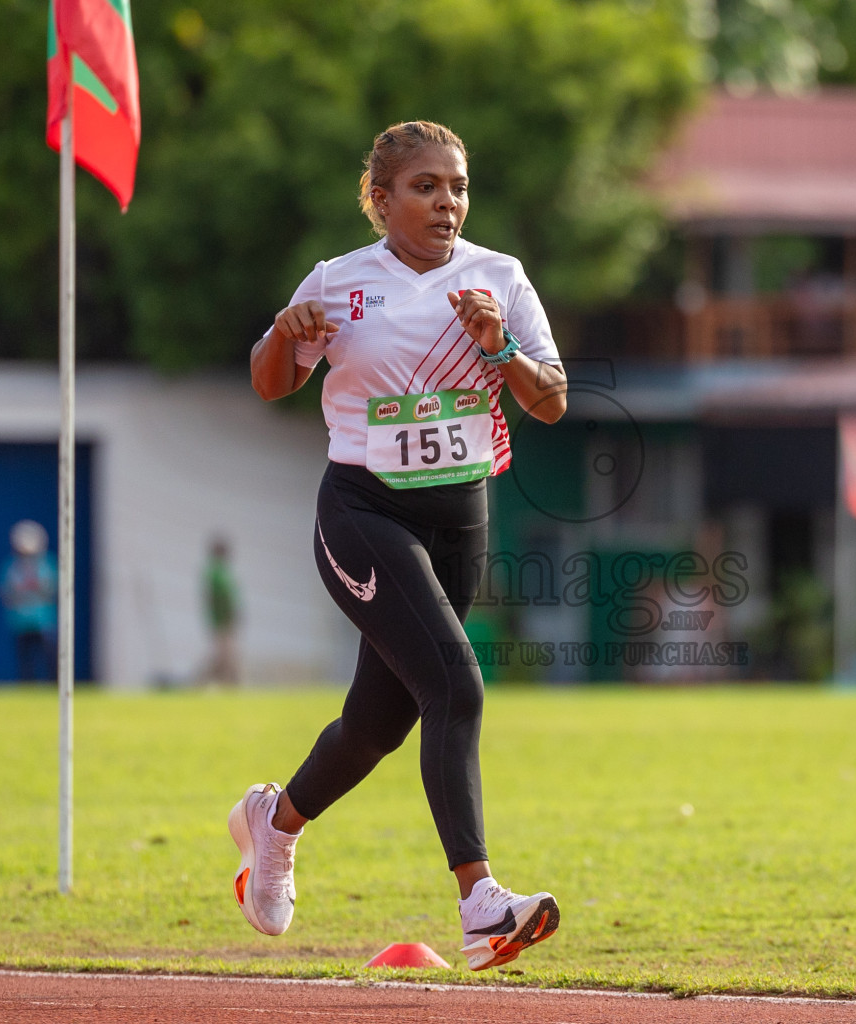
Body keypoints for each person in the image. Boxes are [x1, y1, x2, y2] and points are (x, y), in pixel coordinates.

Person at [229, 121, 569, 971]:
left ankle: (274, 824)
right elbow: (271, 384)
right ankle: (481, 904)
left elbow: (553, 400)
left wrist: (502, 345)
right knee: (456, 682)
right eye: (424, 187)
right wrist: (283, 330)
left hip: (461, 519)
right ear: (380, 201)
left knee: (376, 724)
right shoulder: (339, 283)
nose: (446, 202)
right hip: (362, 512)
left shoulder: (500, 278)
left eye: (456, 186)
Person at [0, 519, 57, 682]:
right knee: (25, 660)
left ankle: (54, 685)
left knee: (50, 657)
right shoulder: (11, 566)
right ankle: (27, 688)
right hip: (20, 621)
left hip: (43, 620)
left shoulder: (47, 564)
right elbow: (6, 591)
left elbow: (52, 588)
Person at [203, 536, 241, 684]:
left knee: (226, 657)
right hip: (222, 621)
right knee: (223, 657)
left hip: (224, 621)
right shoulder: (216, 573)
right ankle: (200, 684)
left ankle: (229, 685)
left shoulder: (221, 571)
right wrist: (227, 616)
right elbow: (220, 597)